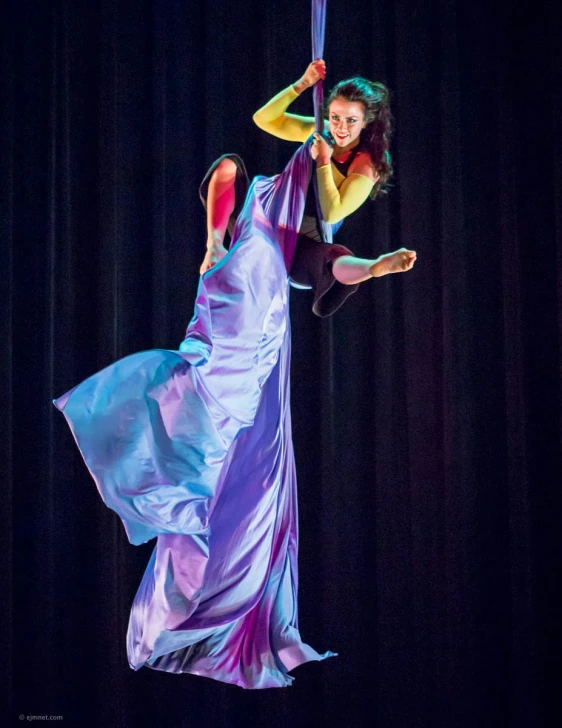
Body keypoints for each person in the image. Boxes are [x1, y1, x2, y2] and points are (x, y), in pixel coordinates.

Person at [199, 59, 416, 317]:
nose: (340, 128)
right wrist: (302, 84)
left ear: (365, 122)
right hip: (263, 218)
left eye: (350, 120)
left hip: (301, 243)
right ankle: (214, 245)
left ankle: (375, 266)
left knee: (332, 258)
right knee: (227, 166)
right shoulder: (321, 131)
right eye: (335, 117)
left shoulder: (367, 163)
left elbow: (333, 212)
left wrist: (324, 160)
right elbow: (264, 119)